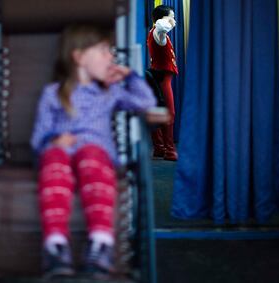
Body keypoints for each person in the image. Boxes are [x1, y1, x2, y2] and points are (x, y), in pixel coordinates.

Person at [30, 25, 158, 278]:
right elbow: (37, 138)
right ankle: (55, 246)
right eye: (103, 51)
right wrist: (54, 140)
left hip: (96, 154)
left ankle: (101, 243)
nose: (111, 57)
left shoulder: (109, 93)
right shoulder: (53, 94)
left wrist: (130, 76)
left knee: (90, 153)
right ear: (79, 57)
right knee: (54, 157)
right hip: (62, 154)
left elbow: (147, 103)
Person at [147, 5, 179, 161]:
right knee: (169, 113)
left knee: (159, 112)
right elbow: (161, 25)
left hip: (160, 77)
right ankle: (169, 150)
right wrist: (167, 21)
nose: (174, 20)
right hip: (162, 78)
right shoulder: (159, 32)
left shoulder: (158, 35)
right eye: (171, 16)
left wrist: (168, 20)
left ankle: (159, 148)